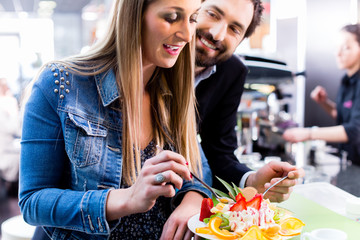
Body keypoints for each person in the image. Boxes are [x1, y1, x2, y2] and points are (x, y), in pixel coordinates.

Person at [19, 0, 209, 239]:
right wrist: (127, 199)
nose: (187, 35)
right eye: (171, 17)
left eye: (192, 19)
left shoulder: (172, 93)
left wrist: (191, 203)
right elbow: (32, 202)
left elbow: (199, 171)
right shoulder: (61, 83)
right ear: (134, 15)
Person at [194, 0, 305, 203]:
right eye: (212, 13)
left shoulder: (232, 71)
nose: (217, 34)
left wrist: (252, 180)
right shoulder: (153, 58)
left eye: (234, 29)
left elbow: (219, 151)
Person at [283, 23, 360, 166]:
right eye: (337, 48)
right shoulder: (346, 80)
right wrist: (324, 102)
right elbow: (342, 115)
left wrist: (308, 133)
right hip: (349, 160)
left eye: (346, 47)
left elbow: (355, 130)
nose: (338, 53)